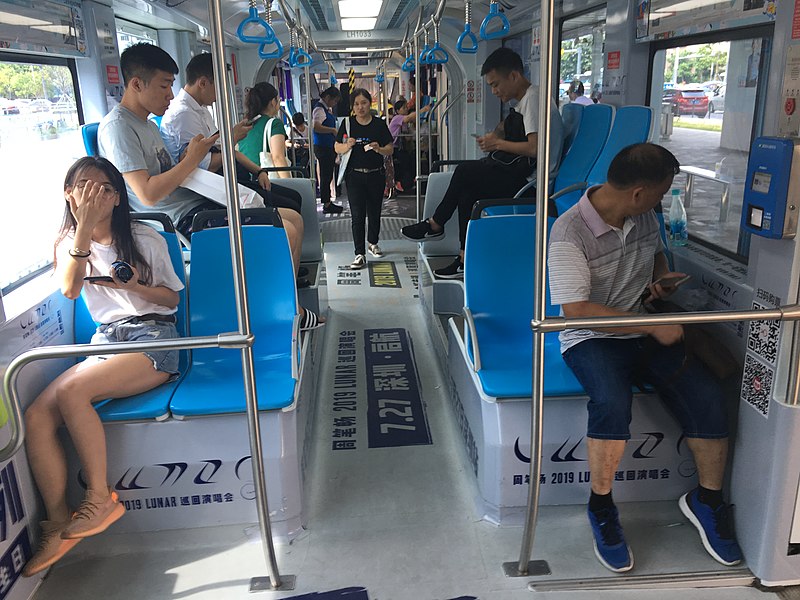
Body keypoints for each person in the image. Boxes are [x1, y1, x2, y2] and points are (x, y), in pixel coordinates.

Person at [547, 143, 742, 573]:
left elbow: (653, 257)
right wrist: (652, 325)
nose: (663, 201)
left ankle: (706, 500)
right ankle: (601, 507)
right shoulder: (568, 233)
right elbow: (575, 311)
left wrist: (658, 283)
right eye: (661, 192)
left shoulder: (643, 218)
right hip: (590, 337)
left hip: (641, 323)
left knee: (707, 395)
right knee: (612, 403)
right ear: (638, 192)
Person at [22, 157, 184, 577]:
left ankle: (98, 498)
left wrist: (135, 288)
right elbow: (71, 289)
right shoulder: (68, 246)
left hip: (153, 339)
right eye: (84, 186)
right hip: (107, 342)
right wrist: (82, 230)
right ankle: (57, 523)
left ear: (116, 198)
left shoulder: (145, 239)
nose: (94, 194)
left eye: (104, 188)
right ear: (69, 195)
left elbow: (172, 301)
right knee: (37, 415)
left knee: (73, 391)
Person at [401, 47, 564, 279]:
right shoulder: (525, 102)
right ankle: (463, 258)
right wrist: (496, 139)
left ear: (514, 76)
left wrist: (497, 145)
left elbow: (535, 148)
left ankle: (435, 224)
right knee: (467, 192)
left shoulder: (534, 101)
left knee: (465, 171)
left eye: (496, 84)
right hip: (524, 177)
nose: (494, 91)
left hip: (534, 185)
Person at [159, 55, 305, 277]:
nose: (221, 93)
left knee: (293, 208)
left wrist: (258, 169)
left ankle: (289, 278)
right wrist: (230, 139)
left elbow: (222, 149)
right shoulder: (183, 116)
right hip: (210, 189)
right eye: (219, 85)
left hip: (225, 180)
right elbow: (203, 165)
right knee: (288, 218)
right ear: (203, 82)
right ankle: (279, 281)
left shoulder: (201, 111)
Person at [97, 43, 219, 238]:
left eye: (171, 85)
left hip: (194, 203)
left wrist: (190, 156)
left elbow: (169, 174)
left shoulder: (150, 125)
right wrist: (191, 161)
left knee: (283, 218)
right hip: (176, 220)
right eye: (164, 85)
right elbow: (147, 194)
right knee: (284, 230)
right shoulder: (118, 127)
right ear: (137, 84)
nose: (170, 94)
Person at [334, 88, 394, 270]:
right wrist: (347, 145)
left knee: (375, 212)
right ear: (352, 107)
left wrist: (378, 149)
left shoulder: (379, 125)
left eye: (364, 103)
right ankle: (359, 253)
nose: (360, 107)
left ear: (370, 104)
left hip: (376, 174)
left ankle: (373, 243)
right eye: (356, 104)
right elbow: (337, 147)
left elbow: (390, 148)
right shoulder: (347, 123)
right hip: (354, 176)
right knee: (357, 215)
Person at [312, 86, 344, 214]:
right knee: (326, 176)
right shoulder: (319, 109)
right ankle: (326, 204)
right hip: (323, 147)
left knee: (328, 175)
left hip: (326, 146)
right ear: (328, 97)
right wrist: (332, 130)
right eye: (334, 101)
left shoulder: (324, 109)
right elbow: (316, 127)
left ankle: (328, 202)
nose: (334, 104)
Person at [389, 99, 431, 193]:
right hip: (393, 148)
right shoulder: (398, 118)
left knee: (411, 159)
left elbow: (407, 138)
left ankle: (409, 182)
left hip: (400, 147)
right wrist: (422, 110)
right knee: (406, 161)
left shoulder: (404, 124)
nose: (406, 109)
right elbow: (408, 118)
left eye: (406, 107)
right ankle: (400, 182)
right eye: (404, 108)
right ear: (398, 111)